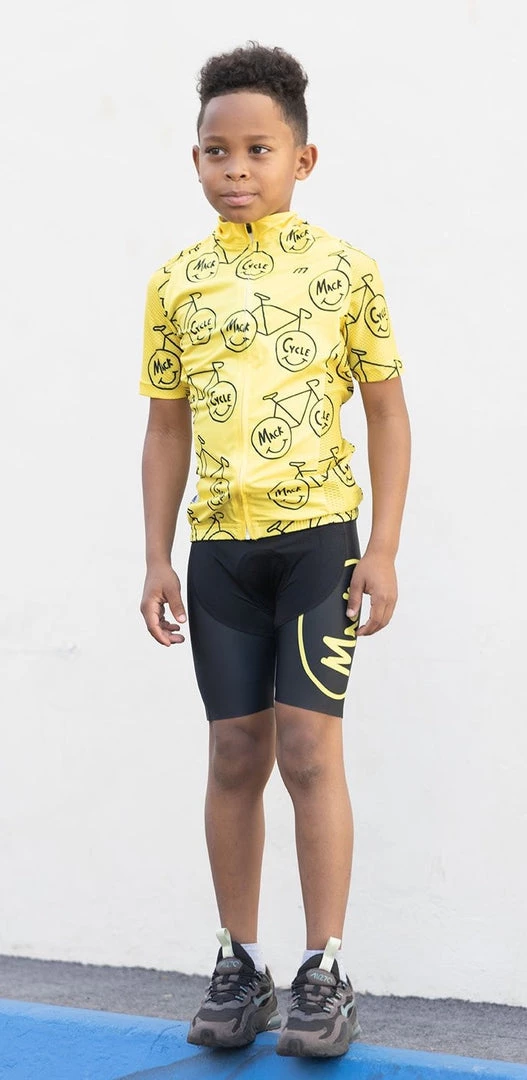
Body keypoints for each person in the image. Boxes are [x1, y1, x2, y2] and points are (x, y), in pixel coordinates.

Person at [139, 42, 410, 1059]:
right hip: (219, 554)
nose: (236, 168)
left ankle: (323, 969)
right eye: (217, 151)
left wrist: (382, 548)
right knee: (233, 753)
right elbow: (166, 427)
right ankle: (239, 963)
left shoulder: (345, 272)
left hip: (317, 547)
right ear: (195, 160)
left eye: (258, 149)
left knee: (306, 750)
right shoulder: (175, 282)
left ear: (302, 158)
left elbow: (386, 414)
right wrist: (157, 556)